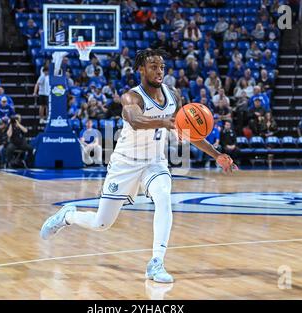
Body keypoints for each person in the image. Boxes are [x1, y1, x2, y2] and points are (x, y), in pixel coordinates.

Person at [40, 49, 236, 283]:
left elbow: (187, 130)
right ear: (141, 69)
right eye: (153, 66)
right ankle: (68, 216)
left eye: (162, 66)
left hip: (155, 162)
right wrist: (164, 122)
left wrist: (216, 154)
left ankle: (156, 262)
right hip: (125, 164)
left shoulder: (174, 96)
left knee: (164, 196)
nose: (159, 71)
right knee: (101, 224)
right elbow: (135, 120)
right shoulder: (131, 97)